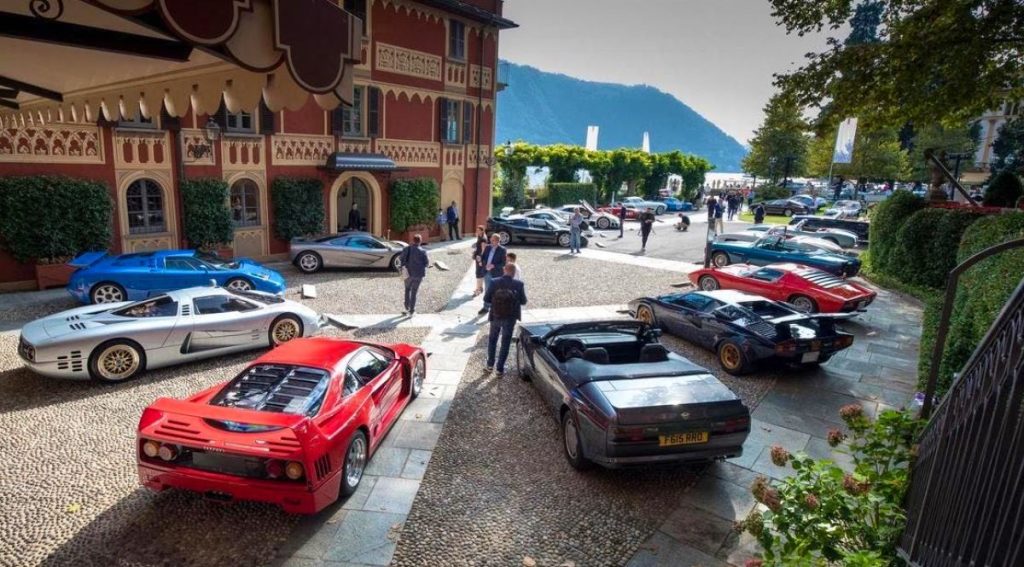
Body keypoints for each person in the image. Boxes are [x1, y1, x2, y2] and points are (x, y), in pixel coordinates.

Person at [483, 263, 527, 376]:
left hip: (495, 315)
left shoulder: (494, 281)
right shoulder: (519, 284)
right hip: (510, 318)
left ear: (504, 270)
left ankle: (489, 365)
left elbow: (486, 299)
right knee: (505, 343)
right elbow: (523, 301)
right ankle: (500, 369)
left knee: (492, 340)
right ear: (514, 273)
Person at [399, 234, 429, 316]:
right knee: (414, 292)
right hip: (418, 274)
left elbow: (401, 259)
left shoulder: (406, 249)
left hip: (408, 273)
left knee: (407, 289)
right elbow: (426, 263)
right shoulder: (423, 251)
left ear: (413, 240)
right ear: (420, 241)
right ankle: (412, 310)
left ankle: (406, 307)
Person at [478, 233, 506, 315]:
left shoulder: (502, 250)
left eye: (493, 240)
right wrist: (479, 258)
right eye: (491, 239)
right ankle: (486, 307)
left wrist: (493, 265)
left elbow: (503, 263)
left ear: (498, 241)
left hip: (496, 274)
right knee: (487, 291)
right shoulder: (487, 247)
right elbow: (483, 257)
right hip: (487, 273)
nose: (491, 241)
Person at [471, 226, 487, 296]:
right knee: (479, 273)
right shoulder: (480, 237)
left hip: (479, 258)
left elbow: (483, 250)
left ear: (482, 231)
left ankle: (478, 289)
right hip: (478, 257)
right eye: (476, 230)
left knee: (479, 273)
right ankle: (480, 288)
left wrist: (480, 260)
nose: (477, 231)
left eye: (478, 230)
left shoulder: (483, 239)